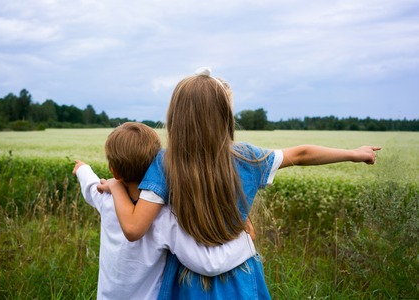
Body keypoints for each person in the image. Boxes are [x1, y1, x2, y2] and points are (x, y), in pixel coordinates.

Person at [99, 68, 381, 299]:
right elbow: (301, 154)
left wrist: (114, 185)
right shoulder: (248, 157)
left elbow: (135, 227)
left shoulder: (164, 163)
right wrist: (354, 154)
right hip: (242, 276)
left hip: (187, 283)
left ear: (175, 118)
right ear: (225, 116)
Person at [73, 122, 258, 300]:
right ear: (157, 169)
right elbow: (208, 263)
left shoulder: (106, 199)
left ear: (114, 172)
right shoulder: (166, 218)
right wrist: (245, 240)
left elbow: (90, 186)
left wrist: (83, 169)